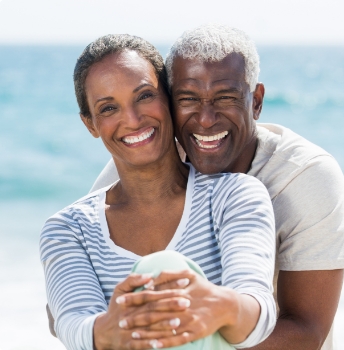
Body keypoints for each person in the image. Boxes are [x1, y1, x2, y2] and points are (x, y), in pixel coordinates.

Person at [91, 25, 344, 350]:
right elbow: (76, 308)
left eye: (225, 98)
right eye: (188, 100)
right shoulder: (138, 169)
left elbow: (306, 331)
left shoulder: (305, 177)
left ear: (255, 102)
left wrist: (201, 334)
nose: (206, 119)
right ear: (170, 102)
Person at [40, 34, 276, 350]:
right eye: (109, 108)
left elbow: (256, 306)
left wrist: (220, 306)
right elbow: (72, 323)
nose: (133, 120)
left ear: (169, 98)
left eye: (145, 96)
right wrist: (112, 327)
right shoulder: (68, 229)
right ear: (90, 124)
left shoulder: (233, 195)